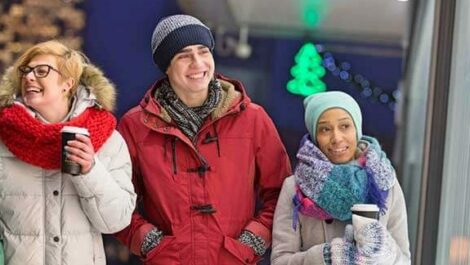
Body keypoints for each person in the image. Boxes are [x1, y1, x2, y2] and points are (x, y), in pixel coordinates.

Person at [115, 14, 292, 264]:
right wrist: (149, 243)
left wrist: (252, 242)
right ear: (166, 66)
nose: (197, 63)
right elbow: (115, 199)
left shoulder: (253, 118)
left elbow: (282, 193)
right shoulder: (136, 125)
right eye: (184, 55)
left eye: (203, 51)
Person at [0, 40, 136, 265]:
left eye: (41, 71)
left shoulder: (108, 140)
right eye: (25, 71)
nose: (29, 77)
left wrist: (91, 171)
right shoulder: (4, 139)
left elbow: (117, 220)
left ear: (67, 83)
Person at [271, 91, 411, 264]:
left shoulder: (384, 180)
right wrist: (325, 257)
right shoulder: (294, 186)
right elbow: (280, 260)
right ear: (315, 137)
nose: (336, 138)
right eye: (325, 129)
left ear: (357, 129)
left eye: (345, 126)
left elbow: (404, 259)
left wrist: (385, 251)